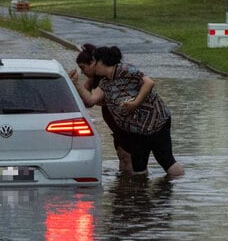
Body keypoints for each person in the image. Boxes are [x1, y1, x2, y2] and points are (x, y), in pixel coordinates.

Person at [72, 45, 185, 178]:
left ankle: (179, 187)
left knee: (166, 160)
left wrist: (135, 103)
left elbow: (149, 83)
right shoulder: (105, 83)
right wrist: (76, 84)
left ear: (101, 62)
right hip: (136, 131)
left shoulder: (124, 70)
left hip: (156, 122)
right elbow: (91, 100)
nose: (93, 66)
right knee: (138, 168)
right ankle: (141, 196)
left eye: (94, 62)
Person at [70, 43, 134, 174]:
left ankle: (130, 184)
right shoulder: (92, 79)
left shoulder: (107, 80)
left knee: (126, 155)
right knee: (122, 155)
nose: (83, 71)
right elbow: (87, 103)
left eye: (83, 67)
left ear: (93, 64)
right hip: (114, 121)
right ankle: (124, 184)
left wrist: (77, 85)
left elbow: (92, 100)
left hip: (121, 121)